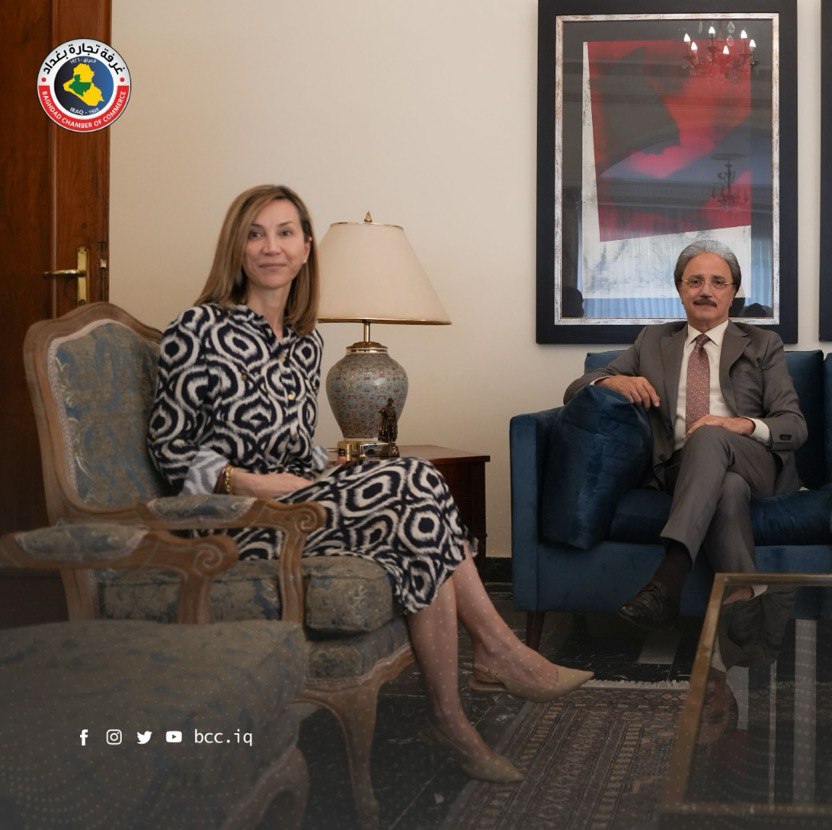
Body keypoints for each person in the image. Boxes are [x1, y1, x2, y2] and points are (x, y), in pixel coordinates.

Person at [148, 184, 590, 784]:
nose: (271, 247)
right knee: (415, 481)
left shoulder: (305, 341)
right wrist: (248, 482)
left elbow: (295, 447)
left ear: (307, 247)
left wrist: (330, 466)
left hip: (298, 508)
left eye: (284, 233)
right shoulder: (197, 327)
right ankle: (494, 657)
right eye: (255, 233)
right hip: (232, 523)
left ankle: (456, 712)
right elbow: (169, 448)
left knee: (417, 508)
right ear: (236, 246)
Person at [564, 240, 807, 630]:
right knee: (727, 487)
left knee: (709, 435)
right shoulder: (652, 341)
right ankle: (746, 611)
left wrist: (739, 425)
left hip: (756, 462)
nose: (705, 291)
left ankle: (668, 579)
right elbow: (577, 388)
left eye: (717, 282)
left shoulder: (763, 344)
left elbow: (794, 425)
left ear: (733, 292)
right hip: (680, 470)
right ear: (679, 289)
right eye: (695, 281)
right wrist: (612, 381)